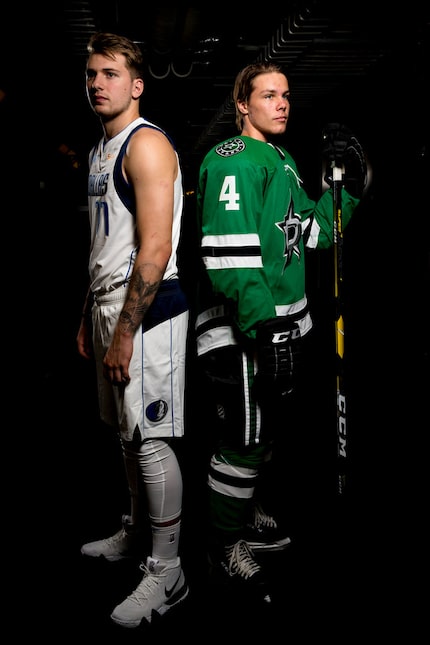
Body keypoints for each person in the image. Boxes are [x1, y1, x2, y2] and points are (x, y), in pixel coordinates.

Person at [194, 62, 368, 599]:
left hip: (280, 330)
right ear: (242, 104)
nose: (283, 103)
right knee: (244, 442)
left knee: (265, 438)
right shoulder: (234, 161)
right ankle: (223, 545)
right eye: (268, 95)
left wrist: (347, 188)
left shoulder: (283, 159)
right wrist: (263, 326)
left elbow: (314, 235)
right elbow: (231, 257)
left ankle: (244, 517)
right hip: (246, 331)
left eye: (286, 95)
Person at [76, 32, 190, 628]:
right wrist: (88, 316)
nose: (98, 82)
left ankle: (167, 571)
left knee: (150, 440)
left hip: (147, 313)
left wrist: (122, 331)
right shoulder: (101, 148)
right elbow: (105, 241)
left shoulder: (145, 146)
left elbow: (153, 248)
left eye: (111, 73)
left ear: (137, 85)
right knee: (125, 436)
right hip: (109, 309)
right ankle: (138, 532)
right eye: (92, 73)